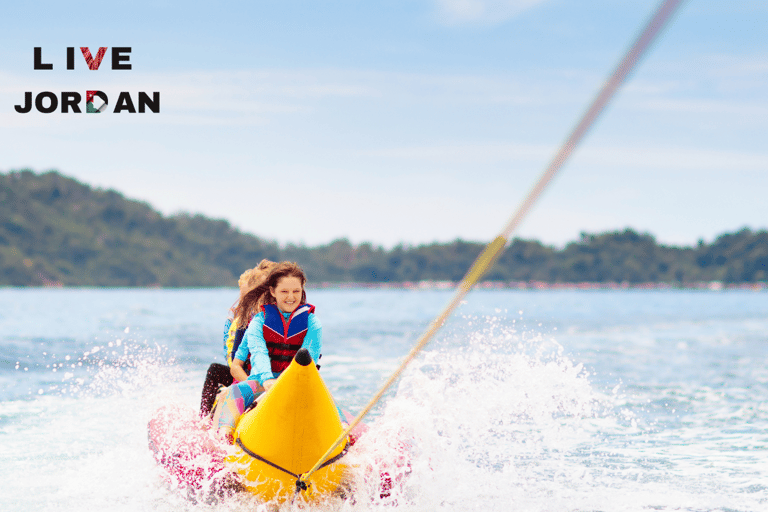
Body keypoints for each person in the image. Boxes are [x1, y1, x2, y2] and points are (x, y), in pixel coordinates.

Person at [211, 261, 322, 439]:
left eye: (296, 291)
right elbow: (259, 354)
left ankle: (344, 432)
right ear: (273, 292)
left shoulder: (312, 323)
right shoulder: (258, 322)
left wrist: (292, 383)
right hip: (261, 384)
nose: (291, 297)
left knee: (326, 397)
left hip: (296, 383)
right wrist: (267, 380)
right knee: (232, 392)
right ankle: (223, 437)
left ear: (302, 291)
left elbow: (310, 357)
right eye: (284, 292)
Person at [199, 259, 276, 416]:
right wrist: (252, 385)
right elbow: (234, 360)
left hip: (274, 380)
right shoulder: (240, 323)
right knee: (215, 370)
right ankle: (204, 417)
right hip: (246, 377)